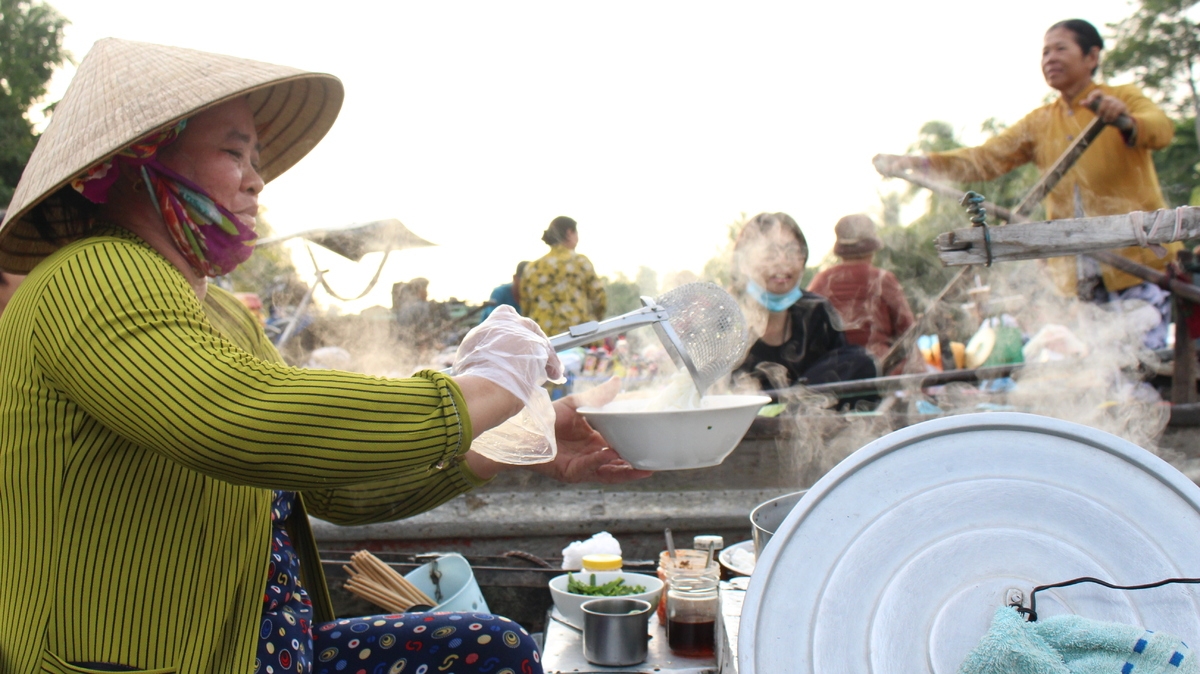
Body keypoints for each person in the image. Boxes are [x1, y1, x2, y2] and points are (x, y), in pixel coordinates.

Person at [0, 39, 649, 674]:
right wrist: (481, 388)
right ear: (138, 162)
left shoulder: (219, 312)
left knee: (493, 648)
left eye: (256, 158)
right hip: (129, 659)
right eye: (234, 153)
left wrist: (518, 435)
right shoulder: (90, 275)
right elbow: (242, 417)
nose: (257, 180)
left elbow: (334, 486)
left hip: (262, 643)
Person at [873, 18, 1178, 349]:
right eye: (1045, 52)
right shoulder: (1041, 121)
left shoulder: (1123, 96)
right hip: (1077, 273)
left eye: (1061, 48)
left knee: (1143, 363)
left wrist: (1123, 119)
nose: (1049, 58)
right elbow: (986, 158)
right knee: (1094, 369)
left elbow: (1160, 128)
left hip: (1137, 260)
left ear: (1091, 57)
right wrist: (919, 164)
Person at [731, 212, 877, 389]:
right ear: (743, 263)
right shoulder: (725, 319)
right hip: (745, 416)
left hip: (811, 413)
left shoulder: (817, 312)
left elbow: (845, 367)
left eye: (792, 251)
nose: (783, 262)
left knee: (859, 359)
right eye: (770, 253)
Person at [807, 214, 915, 363]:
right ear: (873, 249)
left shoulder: (821, 280)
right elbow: (908, 331)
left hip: (834, 369)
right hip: (881, 366)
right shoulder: (883, 279)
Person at [522, 216, 607, 337]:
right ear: (569, 232)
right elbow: (599, 299)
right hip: (576, 334)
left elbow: (525, 306)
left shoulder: (532, 268)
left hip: (542, 337)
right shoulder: (580, 262)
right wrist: (594, 321)